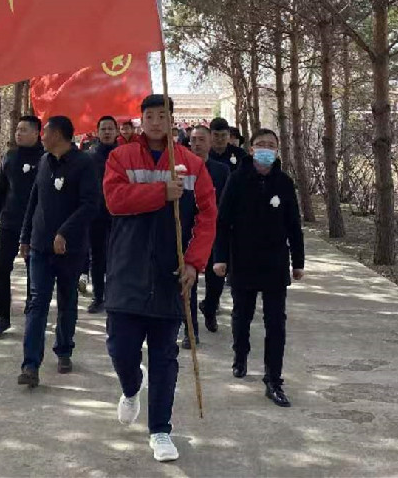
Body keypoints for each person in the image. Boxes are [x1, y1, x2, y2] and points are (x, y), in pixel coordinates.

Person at [103, 94, 216, 463]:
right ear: (140, 120)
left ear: (171, 120)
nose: (155, 121)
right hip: (126, 268)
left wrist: (194, 264)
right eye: (149, 115)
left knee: (165, 356)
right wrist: (159, 192)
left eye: (162, 115)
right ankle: (132, 387)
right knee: (120, 347)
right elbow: (115, 200)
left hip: (171, 273)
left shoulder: (191, 164)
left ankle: (161, 430)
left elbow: (206, 217)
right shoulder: (121, 157)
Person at [213, 128, 304, 408]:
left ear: (277, 150)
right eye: (260, 144)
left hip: (275, 263)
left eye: (271, 145)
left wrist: (298, 262)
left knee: (276, 323)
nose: (266, 148)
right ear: (251, 149)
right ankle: (240, 355)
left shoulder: (284, 183)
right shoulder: (237, 179)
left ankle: (273, 379)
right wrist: (220, 258)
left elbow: (294, 224)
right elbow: (223, 222)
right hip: (243, 260)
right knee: (242, 315)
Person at [17, 116, 101, 387]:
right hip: (41, 247)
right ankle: (30, 365)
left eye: (47, 131)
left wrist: (64, 232)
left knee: (67, 301)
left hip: (71, 248)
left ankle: (64, 350)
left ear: (60, 135)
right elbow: (34, 200)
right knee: (37, 302)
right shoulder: (43, 161)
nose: (42, 136)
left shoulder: (85, 164)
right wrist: (25, 237)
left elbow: (90, 205)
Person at [0, 115, 44, 338]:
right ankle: (2, 317)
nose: (18, 133)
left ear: (37, 133)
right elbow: (0, 190)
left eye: (24, 129)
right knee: (1, 268)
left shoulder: (45, 158)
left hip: (36, 226)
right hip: (10, 223)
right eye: (17, 129)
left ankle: (33, 313)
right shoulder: (10, 157)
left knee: (34, 271)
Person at [185, 125, 231, 346]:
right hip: (188, 232)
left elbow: (226, 201)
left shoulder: (221, 170)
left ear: (210, 142)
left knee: (216, 279)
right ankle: (189, 329)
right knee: (188, 280)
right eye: (193, 139)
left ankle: (210, 309)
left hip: (213, 230)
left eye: (202, 139)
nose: (197, 143)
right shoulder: (182, 169)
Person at [85, 115, 121, 313]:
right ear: (97, 132)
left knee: (118, 256)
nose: (107, 132)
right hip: (97, 214)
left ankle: (116, 296)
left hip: (120, 214)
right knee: (97, 257)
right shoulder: (90, 156)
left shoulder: (124, 154)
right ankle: (98, 296)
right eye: (103, 129)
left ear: (116, 131)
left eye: (110, 128)